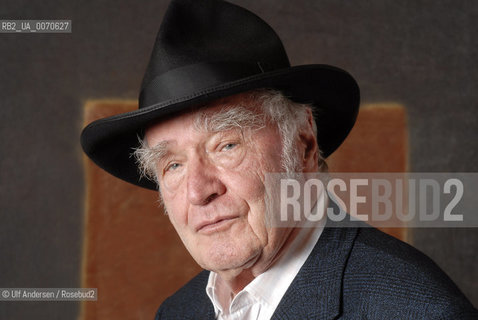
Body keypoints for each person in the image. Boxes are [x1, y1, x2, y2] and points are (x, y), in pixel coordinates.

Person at [81, 0, 478, 318]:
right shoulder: (180, 312)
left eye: (227, 146)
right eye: (173, 165)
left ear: (304, 145)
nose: (198, 192)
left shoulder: (415, 310)